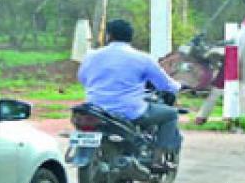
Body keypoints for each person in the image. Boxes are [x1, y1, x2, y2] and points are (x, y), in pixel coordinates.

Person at [78, 19, 183, 170]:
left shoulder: (91, 56)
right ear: (130, 37)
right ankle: (158, 159)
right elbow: (165, 84)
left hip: (95, 109)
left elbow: (82, 78)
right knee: (171, 114)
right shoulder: (142, 58)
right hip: (129, 111)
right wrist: (179, 86)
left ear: (109, 36)